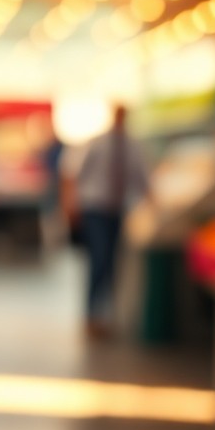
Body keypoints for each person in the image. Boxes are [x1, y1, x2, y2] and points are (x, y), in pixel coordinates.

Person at [73, 105, 149, 338]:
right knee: (99, 259)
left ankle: (106, 315)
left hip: (117, 210)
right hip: (95, 208)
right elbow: (74, 173)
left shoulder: (132, 146)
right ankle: (91, 315)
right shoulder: (97, 143)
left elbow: (140, 178)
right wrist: (71, 205)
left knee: (112, 264)